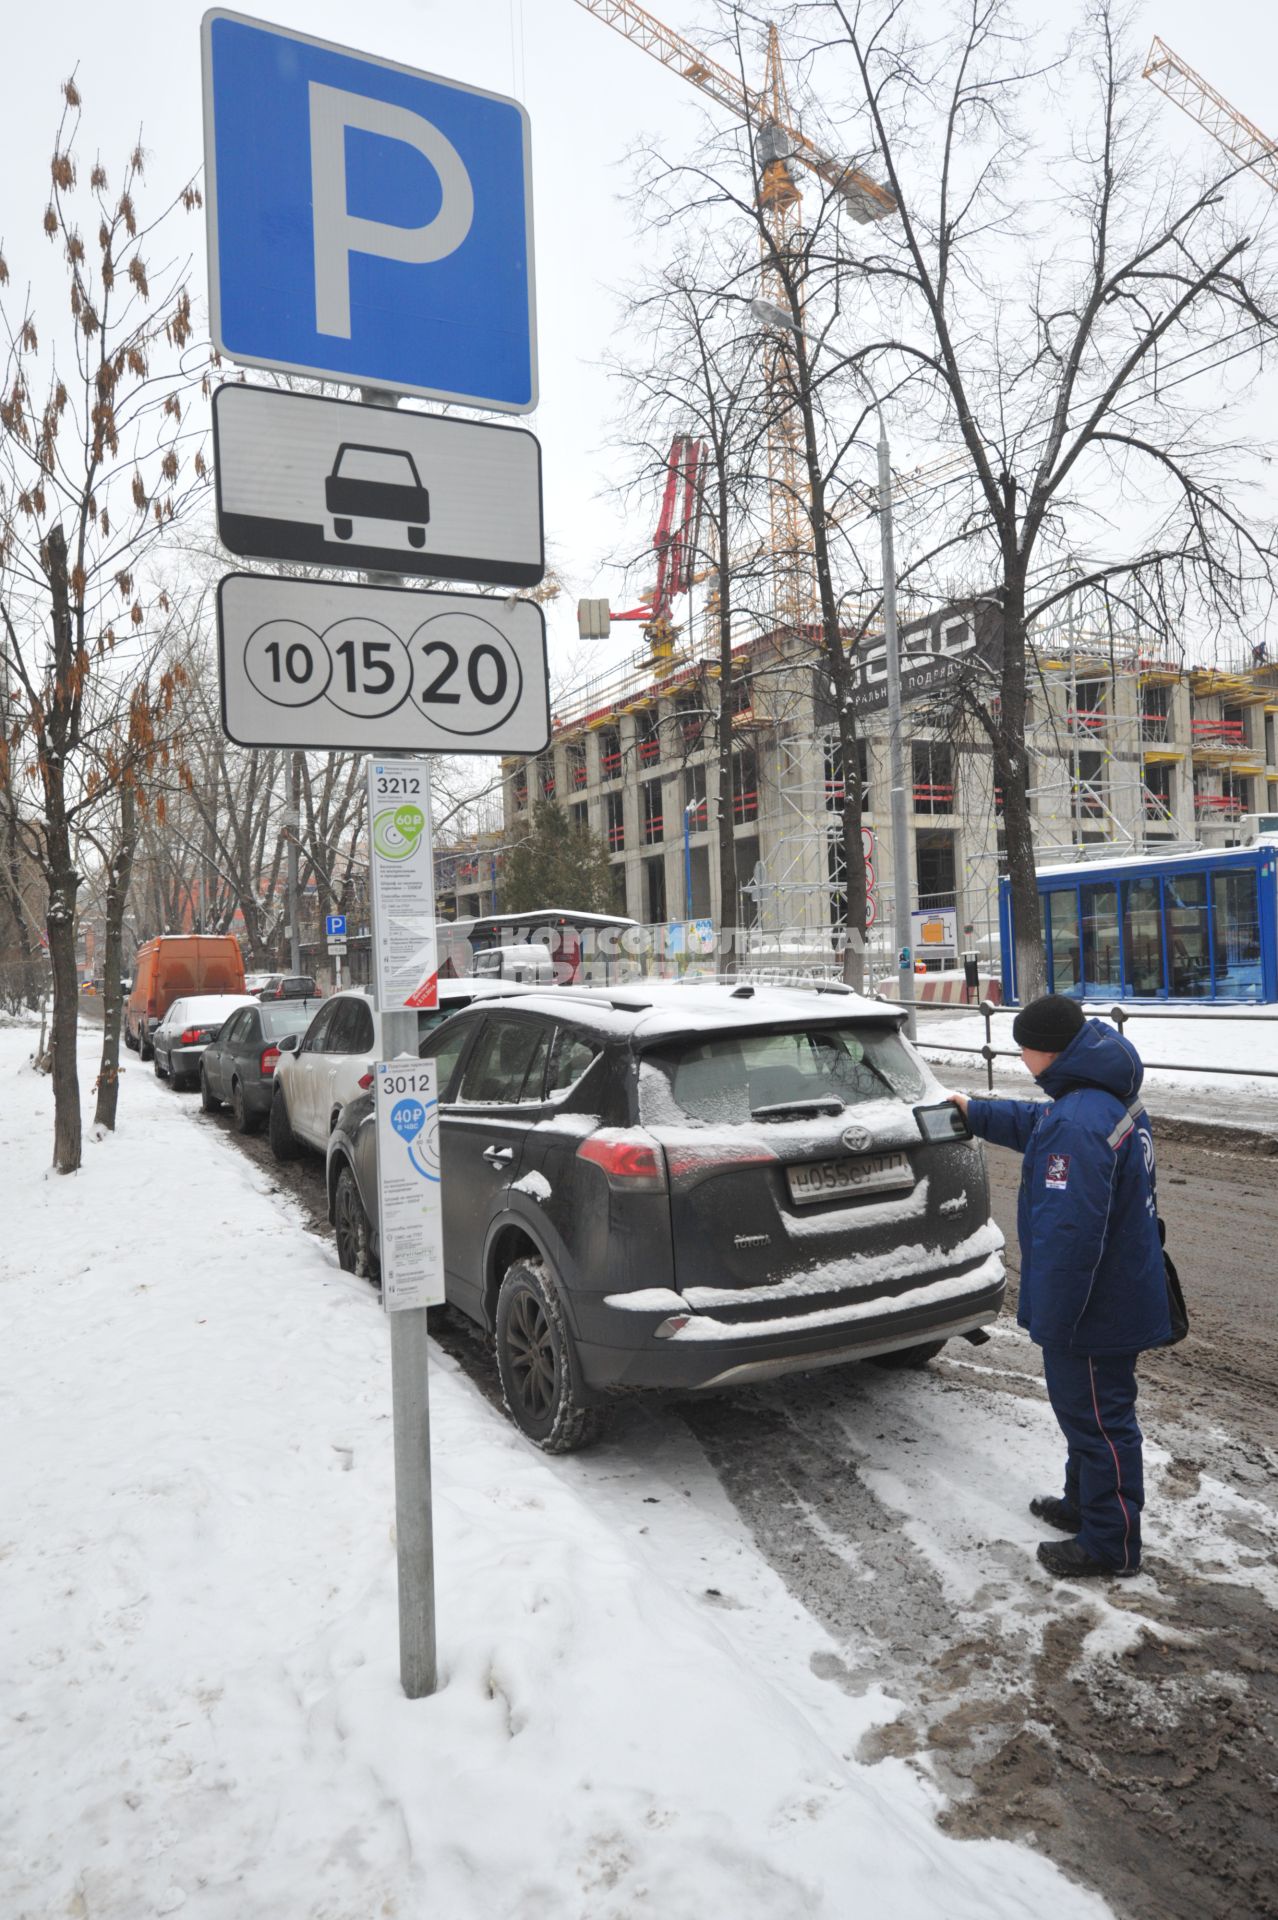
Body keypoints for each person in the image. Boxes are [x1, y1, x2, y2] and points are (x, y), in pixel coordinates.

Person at [951, 995, 1170, 1579]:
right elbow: (1040, 1124)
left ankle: (1109, 1543)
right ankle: (1084, 1504)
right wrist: (975, 1110)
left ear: (1038, 1050)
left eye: (1021, 1048)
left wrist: (1055, 1320)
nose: (1019, 1057)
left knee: (1100, 1420)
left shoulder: (1077, 1119)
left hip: (1094, 1309)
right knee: (1086, 1415)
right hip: (1117, 1289)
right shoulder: (1095, 1094)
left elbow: (1070, 1237)